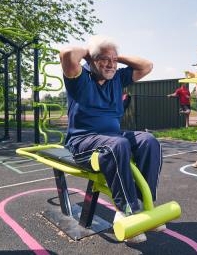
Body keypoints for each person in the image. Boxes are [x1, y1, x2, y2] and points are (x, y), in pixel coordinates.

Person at [60, 35, 163, 243]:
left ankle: (145, 206)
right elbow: (67, 55)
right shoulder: (80, 77)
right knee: (118, 145)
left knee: (149, 140)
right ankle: (126, 210)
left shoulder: (117, 77)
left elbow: (147, 65)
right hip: (82, 141)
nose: (111, 64)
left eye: (113, 60)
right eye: (104, 59)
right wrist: (90, 54)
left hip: (112, 138)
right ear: (91, 60)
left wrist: (115, 57)